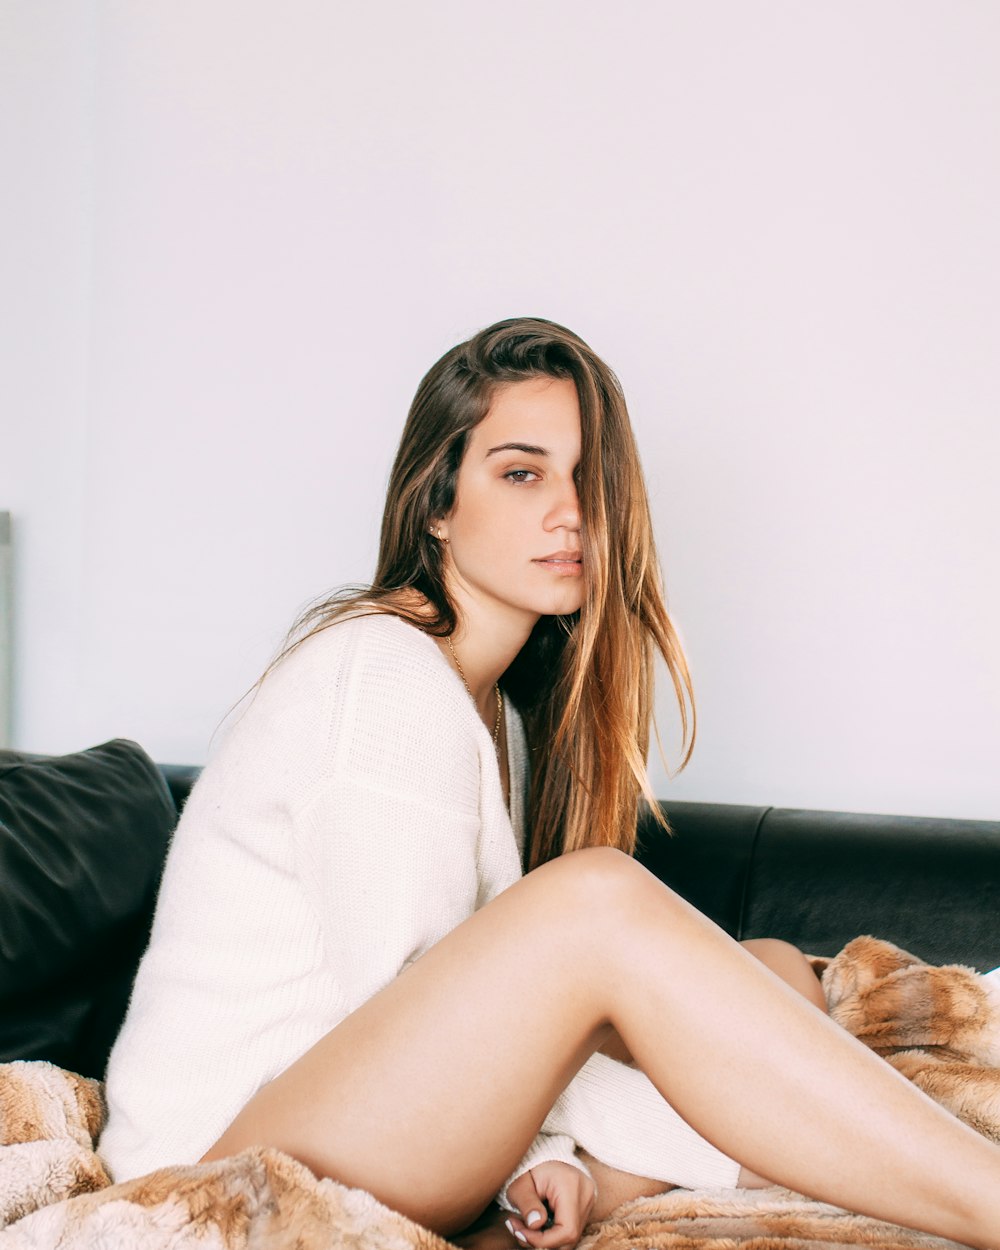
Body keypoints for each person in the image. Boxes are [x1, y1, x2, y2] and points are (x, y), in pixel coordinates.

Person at [101, 317, 1000, 1250]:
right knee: (600, 903)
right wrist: (627, 1139)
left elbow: (478, 1017)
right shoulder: (380, 673)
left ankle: (595, 1187)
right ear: (436, 504)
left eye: (587, 479)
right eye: (522, 473)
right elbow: (400, 1002)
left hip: (359, 1118)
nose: (570, 512)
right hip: (221, 1172)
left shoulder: (499, 713)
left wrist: (564, 1148)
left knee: (772, 972)